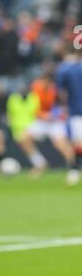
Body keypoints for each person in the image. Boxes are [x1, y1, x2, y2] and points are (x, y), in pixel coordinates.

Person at [56, 49, 82, 185]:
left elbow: (61, 91)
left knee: (77, 143)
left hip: (77, 111)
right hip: (77, 111)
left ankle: (74, 171)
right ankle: (74, 171)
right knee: (77, 143)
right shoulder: (72, 69)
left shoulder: (66, 68)